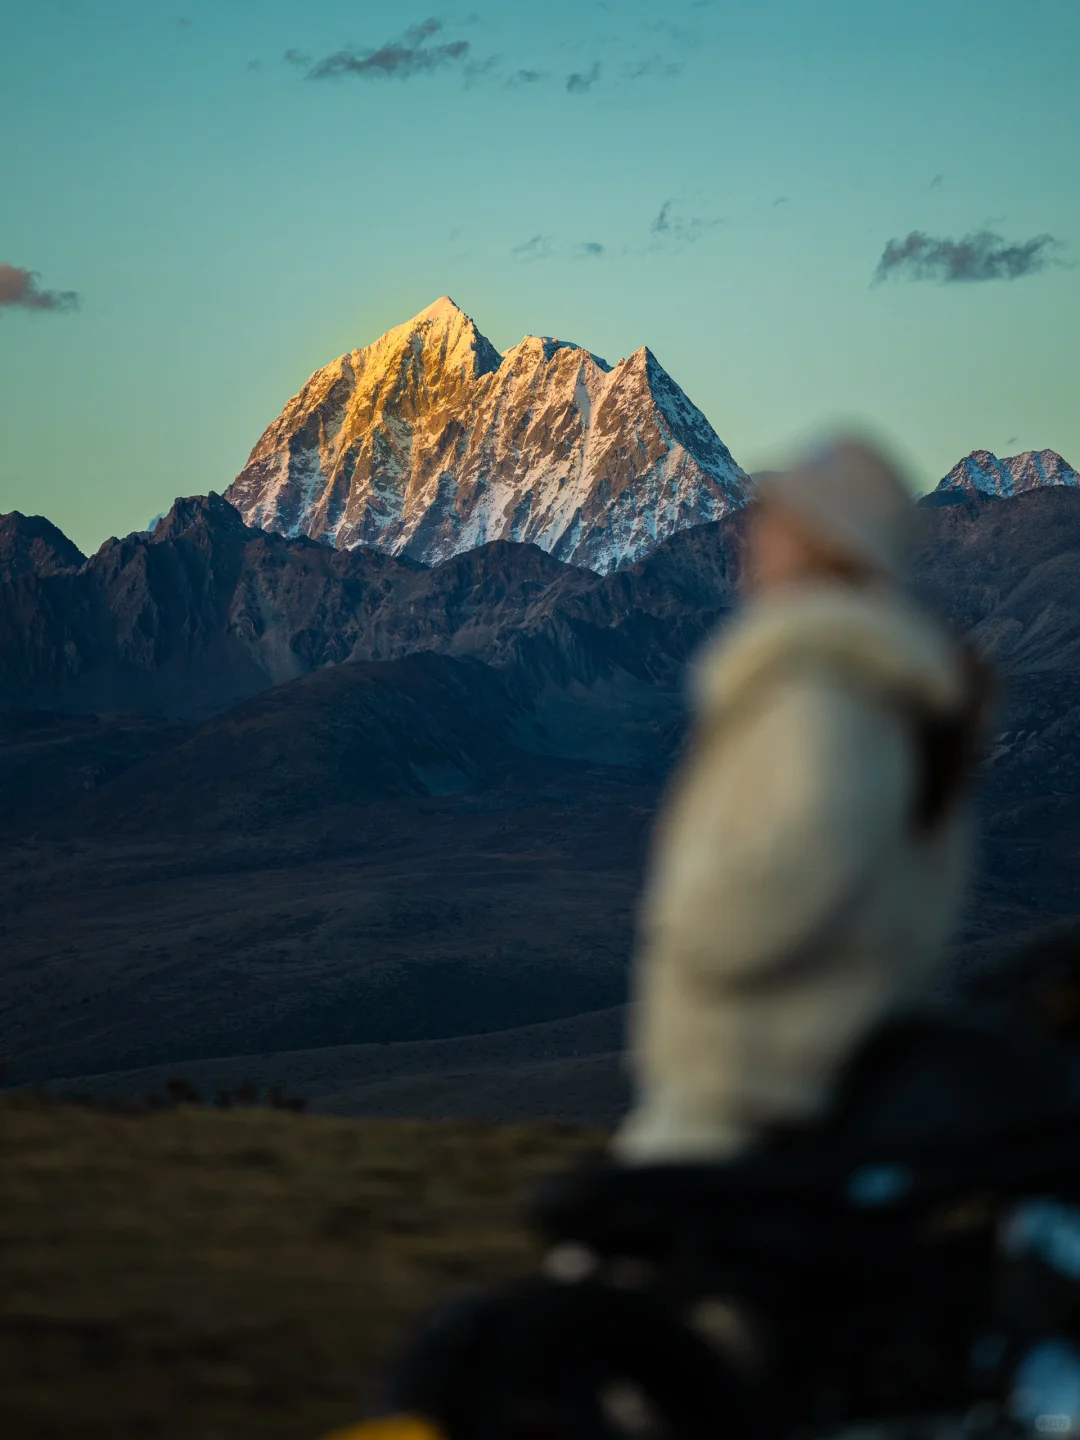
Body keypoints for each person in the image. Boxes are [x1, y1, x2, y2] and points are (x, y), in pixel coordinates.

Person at [613, 436, 986, 1165]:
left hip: (754, 1095)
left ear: (823, 543)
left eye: (775, 520)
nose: (750, 536)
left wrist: (685, 920)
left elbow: (801, 867)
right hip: (796, 1087)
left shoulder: (824, 700)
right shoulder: (869, 692)